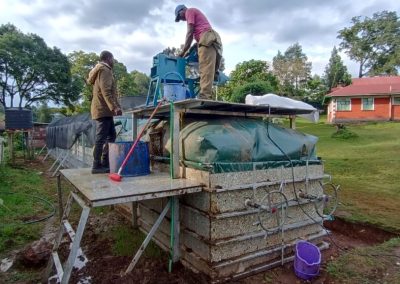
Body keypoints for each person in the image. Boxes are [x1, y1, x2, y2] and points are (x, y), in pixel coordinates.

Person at [175, 4, 222, 100]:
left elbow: (190, 33)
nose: (182, 20)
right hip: (212, 40)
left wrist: (183, 51)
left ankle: (204, 96)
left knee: (205, 69)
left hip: (207, 39)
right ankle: (207, 94)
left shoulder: (189, 11)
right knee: (211, 70)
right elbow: (196, 38)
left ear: (182, 10)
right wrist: (188, 51)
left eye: (179, 16)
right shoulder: (196, 15)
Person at [87, 50, 122, 174]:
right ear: (108, 58)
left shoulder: (101, 70)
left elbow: (108, 92)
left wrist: (116, 106)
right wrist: (114, 107)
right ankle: (97, 165)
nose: (113, 61)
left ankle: (105, 163)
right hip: (103, 110)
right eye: (113, 59)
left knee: (111, 135)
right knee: (101, 138)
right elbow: (106, 91)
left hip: (103, 109)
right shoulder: (105, 70)